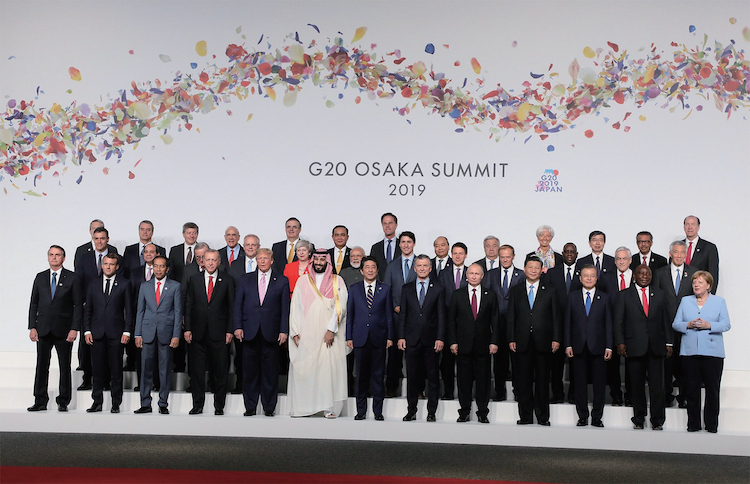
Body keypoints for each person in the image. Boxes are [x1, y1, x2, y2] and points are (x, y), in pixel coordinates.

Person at [288, 250, 349, 418]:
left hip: (330, 335)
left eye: (323, 259)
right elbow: (296, 307)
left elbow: (341, 308)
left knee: (329, 371)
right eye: (317, 259)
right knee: (307, 369)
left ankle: (330, 408)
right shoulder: (302, 281)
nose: (319, 262)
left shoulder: (338, 281)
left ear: (328, 262)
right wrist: (295, 331)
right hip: (308, 334)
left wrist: (331, 330)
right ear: (312, 261)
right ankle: (306, 407)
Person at [614, 265, 672, 431]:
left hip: (656, 347)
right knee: (636, 386)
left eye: (648, 273)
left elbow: (665, 320)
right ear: (634, 276)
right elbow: (618, 321)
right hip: (634, 346)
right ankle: (639, 419)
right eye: (641, 273)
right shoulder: (624, 295)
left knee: (657, 386)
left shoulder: (660, 294)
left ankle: (657, 420)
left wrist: (669, 342)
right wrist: (620, 342)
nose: (644, 276)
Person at [234, 248, 290, 417]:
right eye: (260, 258)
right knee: (249, 372)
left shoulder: (281, 281)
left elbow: (285, 309)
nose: (263, 261)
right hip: (249, 331)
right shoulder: (245, 279)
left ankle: (269, 407)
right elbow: (238, 306)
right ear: (256, 260)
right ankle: (250, 406)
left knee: (270, 372)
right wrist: (237, 326)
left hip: (271, 333)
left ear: (272, 260)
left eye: (266, 258)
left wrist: (284, 330)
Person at [673, 271, 730, 433]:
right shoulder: (685, 301)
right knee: (691, 389)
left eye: (700, 282)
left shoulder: (719, 302)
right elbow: (676, 324)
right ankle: (694, 424)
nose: (696, 285)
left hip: (713, 353)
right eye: (694, 282)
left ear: (709, 286)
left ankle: (711, 425)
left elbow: (726, 324)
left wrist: (709, 325)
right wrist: (688, 325)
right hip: (690, 352)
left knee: (712, 389)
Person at [27, 245, 83, 412]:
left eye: (57, 255)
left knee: (64, 365)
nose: (54, 257)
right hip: (43, 328)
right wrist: (32, 326)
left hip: (64, 329)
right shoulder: (40, 277)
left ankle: (63, 401)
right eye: (51, 255)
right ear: (48, 257)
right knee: (41, 365)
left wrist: (75, 328)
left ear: (63, 258)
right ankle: (40, 400)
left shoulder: (72, 278)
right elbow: (34, 303)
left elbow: (78, 305)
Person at [508, 256, 561, 426]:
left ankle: (542, 417)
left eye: (536, 267)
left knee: (543, 381)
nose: (533, 270)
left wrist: (556, 338)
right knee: (523, 381)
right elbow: (511, 317)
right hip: (522, 342)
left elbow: (556, 317)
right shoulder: (516, 290)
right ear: (524, 269)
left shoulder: (551, 290)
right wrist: (511, 338)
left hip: (544, 342)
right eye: (530, 267)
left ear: (542, 270)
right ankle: (525, 416)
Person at [184, 249, 235, 415]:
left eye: (214, 260)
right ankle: (197, 404)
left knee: (220, 371)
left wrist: (229, 330)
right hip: (197, 333)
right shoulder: (194, 279)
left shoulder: (227, 280)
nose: (211, 263)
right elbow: (189, 305)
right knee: (197, 372)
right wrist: (188, 328)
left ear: (219, 262)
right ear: (202, 262)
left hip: (219, 333)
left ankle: (219, 406)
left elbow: (232, 308)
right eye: (208, 260)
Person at [447, 263, 499, 423]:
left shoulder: (490, 295)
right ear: (466, 275)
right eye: (471, 273)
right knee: (464, 380)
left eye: (477, 274)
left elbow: (495, 321)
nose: (474, 276)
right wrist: (453, 341)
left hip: (484, 345)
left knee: (483, 381)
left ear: (482, 276)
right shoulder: (457, 295)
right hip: (463, 345)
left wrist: (494, 341)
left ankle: (482, 412)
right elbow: (451, 321)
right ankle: (464, 411)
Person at [83, 253, 133, 414]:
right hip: (96, 333)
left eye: (111, 264)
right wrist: (87, 330)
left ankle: (115, 402)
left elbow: (129, 310)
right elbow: (88, 309)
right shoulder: (93, 284)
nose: (108, 266)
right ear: (102, 265)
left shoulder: (125, 284)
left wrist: (127, 331)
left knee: (116, 369)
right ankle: (96, 401)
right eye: (106, 264)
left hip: (116, 333)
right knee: (97, 370)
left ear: (117, 267)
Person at [398, 254, 445, 422]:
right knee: (412, 377)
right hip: (411, 339)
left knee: (432, 377)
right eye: (420, 265)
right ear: (415, 268)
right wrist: (401, 336)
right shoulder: (407, 288)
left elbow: (441, 315)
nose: (423, 268)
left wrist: (440, 338)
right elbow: (403, 314)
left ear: (430, 268)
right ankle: (411, 410)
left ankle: (431, 411)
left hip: (431, 340)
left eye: (426, 265)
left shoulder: (438, 287)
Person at [564, 265, 612, 428]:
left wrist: (609, 346)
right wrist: (568, 344)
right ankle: (582, 416)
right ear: (580, 278)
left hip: (599, 347)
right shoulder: (572, 297)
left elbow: (608, 324)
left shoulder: (604, 297)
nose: (589, 278)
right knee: (579, 383)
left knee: (599, 384)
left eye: (592, 276)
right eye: (586, 276)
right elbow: (567, 323)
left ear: (596, 278)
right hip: (578, 346)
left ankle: (597, 417)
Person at [346, 256, 393, 420]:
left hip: (379, 337)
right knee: (361, 376)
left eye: (373, 267)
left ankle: (378, 411)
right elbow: (350, 314)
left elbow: (389, 315)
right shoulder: (353, 289)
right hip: (359, 338)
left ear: (377, 270)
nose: (370, 270)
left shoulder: (385, 289)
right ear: (362, 270)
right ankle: (361, 411)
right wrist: (349, 336)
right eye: (367, 267)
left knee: (378, 376)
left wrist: (390, 336)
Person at [134, 256, 181, 414]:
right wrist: (137, 333)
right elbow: (140, 311)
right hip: (147, 333)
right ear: (152, 267)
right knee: (146, 370)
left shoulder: (175, 286)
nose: (159, 269)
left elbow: (177, 312)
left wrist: (176, 335)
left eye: (162, 266)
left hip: (166, 334)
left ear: (167, 269)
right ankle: (145, 403)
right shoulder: (145, 286)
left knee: (164, 370)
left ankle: (163, 403)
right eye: (156, 266)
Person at [75, 225, 118, 391]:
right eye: (96, 238)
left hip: (109, 308)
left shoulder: (115, 257)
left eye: (102, 238)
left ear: (107, 239)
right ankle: (87, 379)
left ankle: (106, 381)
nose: (99, 241)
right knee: (87, 345)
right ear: (93, 239)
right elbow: (79, 282)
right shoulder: (84, 258)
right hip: (90, 308)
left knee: (107, 346)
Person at [653, 240, 696, 408]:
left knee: (686, 364)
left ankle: (684, 397)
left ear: (686, 254)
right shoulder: (659, 273)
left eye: (682, 252)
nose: (679, 255)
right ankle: (666, 396)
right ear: (670, 254)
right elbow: (655, 299)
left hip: (687, 327)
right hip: (665, 326)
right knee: (666, 365)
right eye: (675, 252)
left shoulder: (693, 273)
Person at [486, 244, 523, 401]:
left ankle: (518, 391)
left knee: (517, 359)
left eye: (508, 256)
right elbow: (486, 297)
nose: (505, 259)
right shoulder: (491, 274)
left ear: (513, 256)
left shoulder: (521, 275)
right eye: (502, 257)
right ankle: (499, 391)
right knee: (499, 360)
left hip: (516, 324)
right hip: (496, 324)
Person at [382, 231, 417, 397]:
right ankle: (391, 388)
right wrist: (395, 306)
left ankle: (417, 389)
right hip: (396, 317)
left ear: (414, 244)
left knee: (415, 355)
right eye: (403, 242)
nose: (406, 244)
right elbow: (386, 290)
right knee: (394, 356)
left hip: (416, 317)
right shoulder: (392, 265)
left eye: (409, 241)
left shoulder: (421, 263)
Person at [545, 242, 579, 404]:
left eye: (573, 252)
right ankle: (557, 394)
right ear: (562, 254)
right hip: (556, 324)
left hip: (577, 326)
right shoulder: (552, 273)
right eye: (567, 252)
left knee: (575, 363)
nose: (570, 254)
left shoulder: (583, 273)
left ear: (577, 254)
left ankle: (573, 394)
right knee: (556, 364)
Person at [227, 234, 261, 394]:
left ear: (258, 246)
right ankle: (240, 385)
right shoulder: (234, 265)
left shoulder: (264, 263)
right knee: (240, 356)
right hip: (241, 317)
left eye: (253, 245)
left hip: (260, 319)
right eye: (247, 244)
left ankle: (257, 387)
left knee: (258, 356)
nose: (250, 247)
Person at [437, 242, 469, 401]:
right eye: (455, 253)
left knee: (465, 361)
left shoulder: (471, 272)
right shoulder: (443, 273)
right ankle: (448, 392)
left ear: (465, 255)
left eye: (460, 253)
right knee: (447, 361)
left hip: (466, 323)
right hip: (448, 322)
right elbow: (440, 298)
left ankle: (466, 393)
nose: (457, 256)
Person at [128, 242, 160, 392]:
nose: (148, 254)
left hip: (158, 318)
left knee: (157, 354)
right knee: (140, 353)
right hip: (139, 317)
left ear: (157, 254)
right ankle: (142, 383)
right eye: (146, 252)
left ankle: (156, 383)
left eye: (151, 251)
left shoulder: (164, 271)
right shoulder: (134, 272)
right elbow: (130, 296)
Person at [682, 216, 720, 293]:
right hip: (680, 295)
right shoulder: (677, 246)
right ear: (684, 227)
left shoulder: (709, 247)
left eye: (693, 224)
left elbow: (713, 275)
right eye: (687, 224)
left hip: (700, 294)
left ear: (698, 227)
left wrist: (710, 297)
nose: (690, 227)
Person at [370, 212, 401, 281]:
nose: (387, 226)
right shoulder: (375, 248)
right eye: (385, 223)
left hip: (399, 286)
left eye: (390, 223)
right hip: (380, 285)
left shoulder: (403, 246)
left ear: (396, 225)